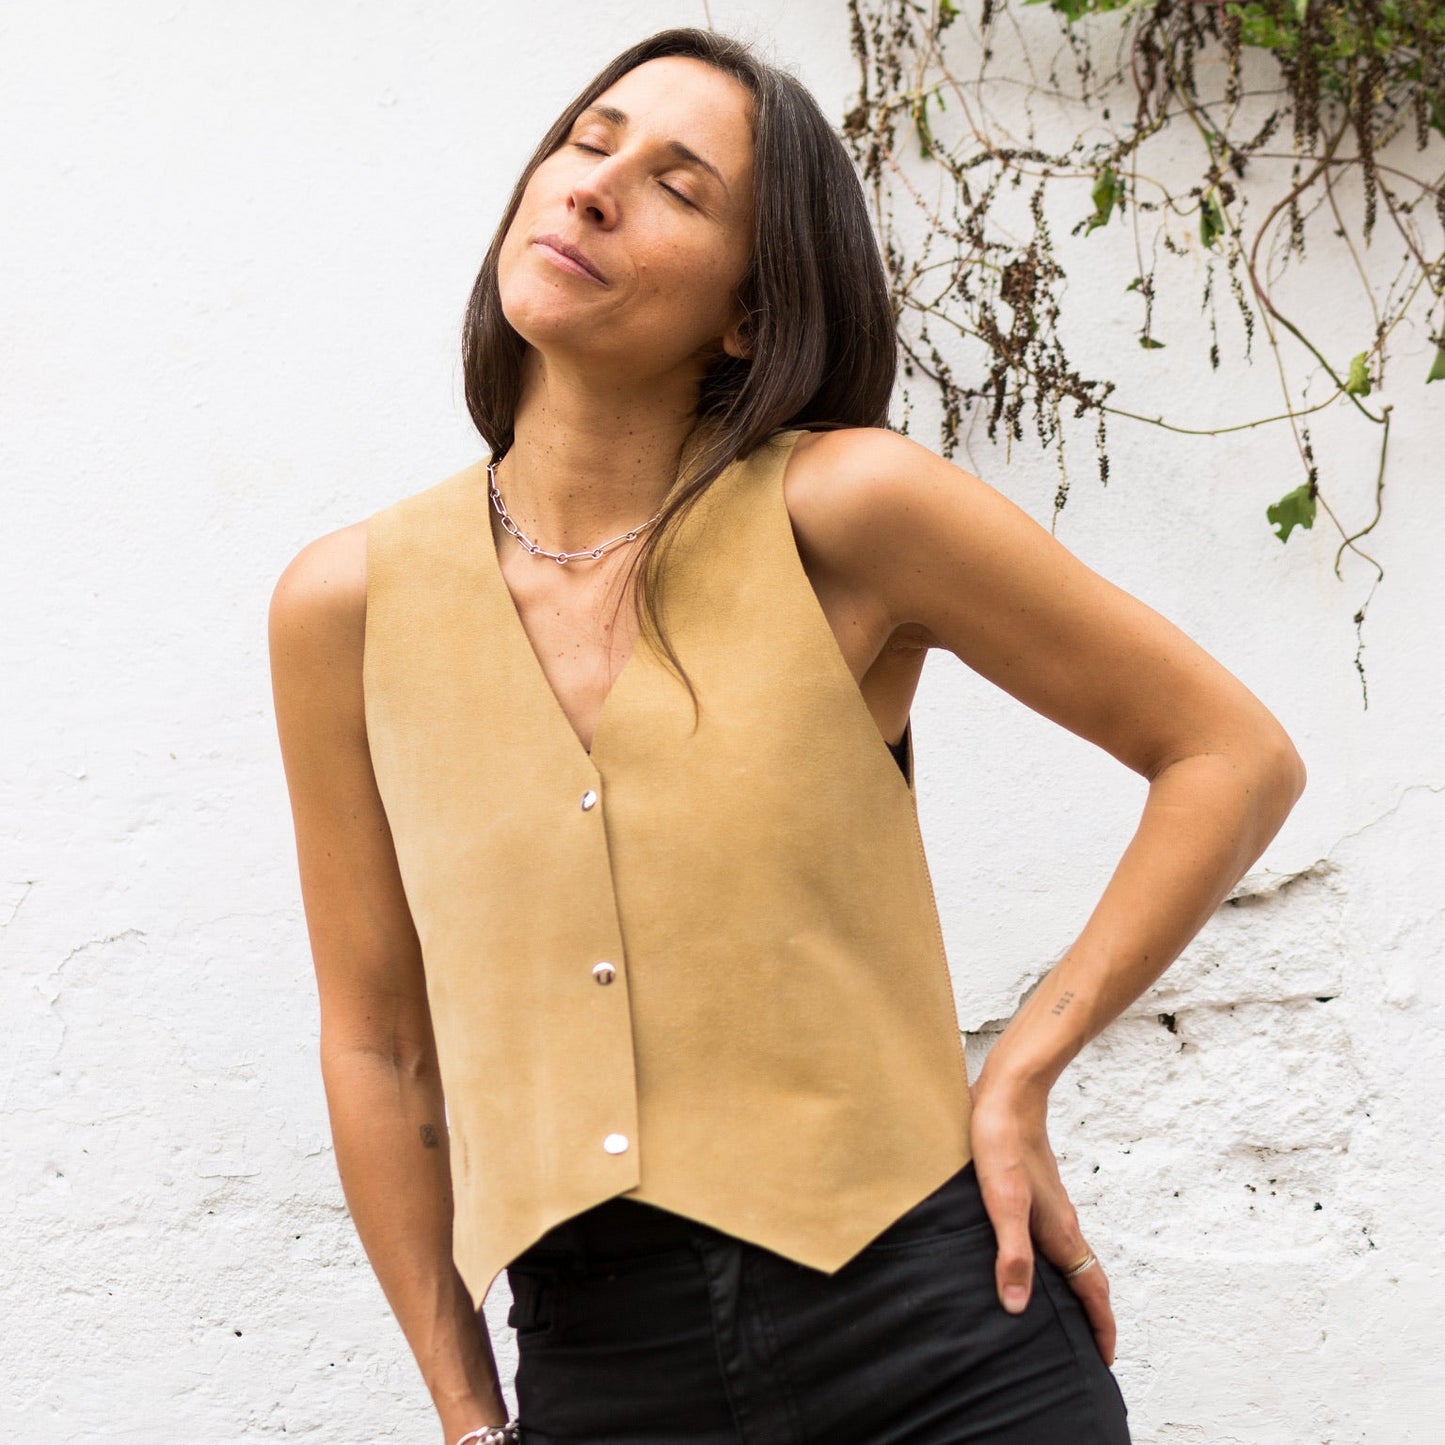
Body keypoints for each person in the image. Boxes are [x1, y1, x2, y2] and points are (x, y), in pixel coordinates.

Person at [267, 25, 1306, 1445]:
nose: (590, 188)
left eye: (675, 185)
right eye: (588, 142)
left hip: (938, 1337)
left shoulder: (849, 512)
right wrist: (463, 1411)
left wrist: (1018, 1072)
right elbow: (379, 1043)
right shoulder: (346, 606)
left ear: (750, 314)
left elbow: (1230, 756)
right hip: (601, 1370)